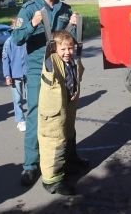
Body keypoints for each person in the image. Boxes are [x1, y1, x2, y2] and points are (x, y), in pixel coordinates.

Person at [12, 0, 89, 186]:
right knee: (37, 116)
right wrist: (32, 24)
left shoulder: (66, 9)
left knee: (67, 114)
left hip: (63, 69)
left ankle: (70, 159)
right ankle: (30, 165)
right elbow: (16, 38)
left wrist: (76, 25)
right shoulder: (29, 9)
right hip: (39, 70)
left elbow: (70, 40)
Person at [38, 30, 84, 195]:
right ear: (53, 49)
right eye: (63, 49)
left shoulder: (71, 60)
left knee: (68, 132)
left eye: (70, 48)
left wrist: (75, 25)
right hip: (53, 110)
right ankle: (52, 181)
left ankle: (69, 163)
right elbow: (49, 56)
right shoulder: (51, 61)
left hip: (66, 104)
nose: (67, 52)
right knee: (54, 139)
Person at [2, 15, 27, 132]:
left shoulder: (27, 39)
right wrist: (7, 75)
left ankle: (33, 118)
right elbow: (5, 58)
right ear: (12, 27)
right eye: (16, 26)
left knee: (31, 97)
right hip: (15, 74)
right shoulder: (9, 41)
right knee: (17, 98)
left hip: (28, 72)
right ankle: (20, 120)